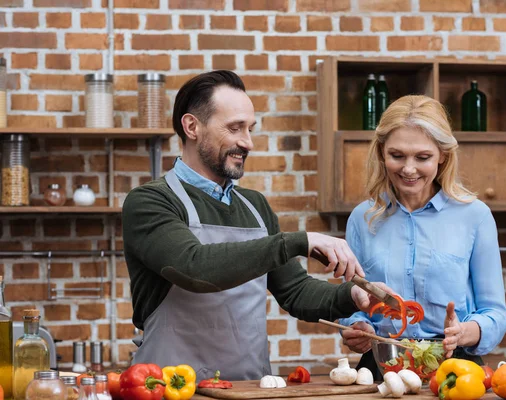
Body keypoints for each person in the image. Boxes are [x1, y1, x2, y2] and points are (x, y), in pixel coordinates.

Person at [122, 70, 393, 381]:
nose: (247, 142)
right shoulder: (151, 202)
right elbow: (193, 268)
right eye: (234, 128)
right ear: (192, 126)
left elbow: (295, 292)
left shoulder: (254, 206)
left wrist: (352, 296)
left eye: (250, 129)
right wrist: (298, 241)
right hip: (168, 388)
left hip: (249, 387)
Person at [338, 95, 506, 379]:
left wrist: (465, 332)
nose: (408, 169)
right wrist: (357, 327)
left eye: (422, 157)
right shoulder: (362, 218)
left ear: (442, 155)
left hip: (455, 369)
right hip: (382, 368)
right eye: (397, 155)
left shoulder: (475, 216)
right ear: (381, 152)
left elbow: (495, 313)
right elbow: (351, 301)